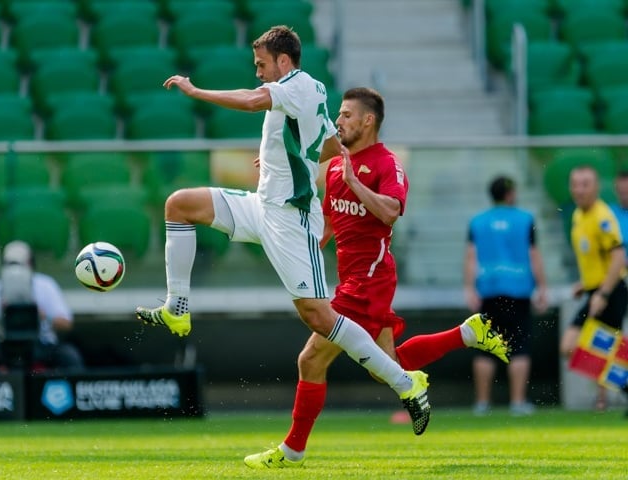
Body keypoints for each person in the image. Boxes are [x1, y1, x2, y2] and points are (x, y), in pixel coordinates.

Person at [136, 25, 432, 439]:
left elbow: (254, 101)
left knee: (317, 316)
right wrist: (282, 155)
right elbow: (328, 144)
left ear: (284, 61)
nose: (257, 73)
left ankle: (406, 383)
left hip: (292, 219)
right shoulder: (304, 94)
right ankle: (177, 306)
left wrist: (196, 91)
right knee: (180, 205)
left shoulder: (299, 85)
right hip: (262, 205)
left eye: (261, 65)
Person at [243, 87, 510, 468]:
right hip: (349, 276)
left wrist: (356, 183)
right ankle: (467, 334)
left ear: (368, 121)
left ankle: (292, 450)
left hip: (370, 278)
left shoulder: (387, 164)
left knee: (312, 359)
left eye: (347, 115)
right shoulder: (336, 164)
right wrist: (305, 247)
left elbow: (390, 211)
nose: (339, 121)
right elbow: (332, 219)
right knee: (388, 363)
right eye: (339, 114)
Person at [464, 176, 548, 416]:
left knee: (485, 346)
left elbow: (471, 256)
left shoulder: (478, 221)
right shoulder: (525, 219)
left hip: (489, 289)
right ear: (510, 194)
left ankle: (482, 403)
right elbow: (534, 255)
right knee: (519, 345)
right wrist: (542, 287)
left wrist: (470, 288)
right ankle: (517, 402)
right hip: (519, 289)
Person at [560, 166, 628, 412]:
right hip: (595, 290)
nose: (579, 189)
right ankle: (618, 389)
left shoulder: (602, 217)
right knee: (601, 350)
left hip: (610, 291)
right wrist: (585, 284)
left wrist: (603, 293)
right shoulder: (579, 215)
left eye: (585, 184)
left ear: (596, 187)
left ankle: (605, 398)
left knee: (600, 347)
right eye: (575, 184)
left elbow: (619, 258)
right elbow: (597, 258)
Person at [0, 240, 85, 373]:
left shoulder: (45, 285)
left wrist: (43, 316)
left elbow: (66, 323)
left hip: (40, 345)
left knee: (69, 356)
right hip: (4, 346)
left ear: (30, 263)